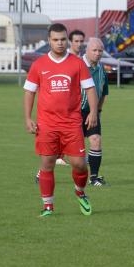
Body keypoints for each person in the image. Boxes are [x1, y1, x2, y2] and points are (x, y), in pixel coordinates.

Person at [24, 23, 98, 217]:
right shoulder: (39, 64)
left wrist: (93, 112)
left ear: (67, 40)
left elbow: (90, 89)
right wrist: (27, 118)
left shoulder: (77, 63)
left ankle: (80, 191)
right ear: (49, 40)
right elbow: (29, 92)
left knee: (80, 164)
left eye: (63, 39)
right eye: (55, 40)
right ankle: (48, 206)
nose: (59, 43)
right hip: (46, 124)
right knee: (47, 163)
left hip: (71, 123)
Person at [53, 29, 86, 167]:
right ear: (70, 42)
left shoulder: (80, 60)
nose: (79, 44)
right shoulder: (64, 61)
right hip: (65, 111)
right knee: (57, 143)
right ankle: (42, 172)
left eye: (81, 41)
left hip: (79, 107)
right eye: (76, 41)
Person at [81, 38, 109, 186]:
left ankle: (93, 178)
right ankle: (43, 172)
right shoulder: (77, 66)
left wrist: (97, 111)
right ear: (87, 50)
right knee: (61, 146)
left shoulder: (101, 69)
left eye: (100, 51)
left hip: (92, 113)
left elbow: (104, 91)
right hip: (73, 113)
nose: (98, 54)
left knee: (96, 140)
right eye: (94, 50)